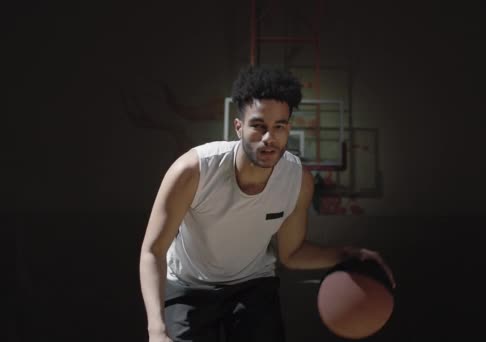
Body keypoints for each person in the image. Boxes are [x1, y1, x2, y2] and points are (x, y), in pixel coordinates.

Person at [139, 65, 395, 342]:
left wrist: (349, 254)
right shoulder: (193, 171)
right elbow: (153, 250)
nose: (269, 138)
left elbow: (291, 254)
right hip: (189, 286)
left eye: (279, 127)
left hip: (252, 286)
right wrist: (156, 329)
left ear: (289, 129)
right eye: (258, 126)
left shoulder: (297, 180)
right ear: (238, 127)